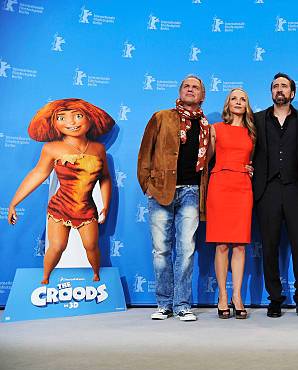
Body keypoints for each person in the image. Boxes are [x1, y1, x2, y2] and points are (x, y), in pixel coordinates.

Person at [8, 99, 114, 285]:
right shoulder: (51, 148)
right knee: (57, 246)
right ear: (54, 123)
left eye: (78, 116)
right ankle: (45, 279)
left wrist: (105, 205)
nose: (71, 122)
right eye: (62, 117)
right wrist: (14, 202)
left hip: (86, 207)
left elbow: (105, 178)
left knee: (91, 246)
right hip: (60, 207)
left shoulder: (98, 149)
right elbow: (38, 173)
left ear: (90, 119)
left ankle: (96, 276)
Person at [137, 75, 211, 322]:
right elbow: (145, 153)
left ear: (202, 96)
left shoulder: (205, 126)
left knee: (187, 250)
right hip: (160, 190)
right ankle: (164, 304)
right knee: (161, 250)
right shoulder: (161, 117)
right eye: (186, 86)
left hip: (191, 191)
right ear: (180, 91)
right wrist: (147, 185)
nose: (191, 90)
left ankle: (182, 305)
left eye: (196, 87)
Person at [252, 72, 298, 318]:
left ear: (292, 93)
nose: (280, 89)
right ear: (271, 92)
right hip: (267, 190)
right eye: (275, 86)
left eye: (284, 86)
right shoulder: (256, 119)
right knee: (269, 247)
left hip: (297, 190)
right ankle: (274, 298)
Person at [206, 88, 255, 319]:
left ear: (247, 105)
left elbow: (256, 160)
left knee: (241, 245)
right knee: (222, 244)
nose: (238, 102)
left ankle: (237, 296)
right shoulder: (215, 129)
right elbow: (207, 161)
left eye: (242, 99)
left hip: (243, 187)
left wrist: (252, 169)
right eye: (234, 98)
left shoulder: (252, 133)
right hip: (220, 185)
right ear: (228, 104)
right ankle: (222, 297)